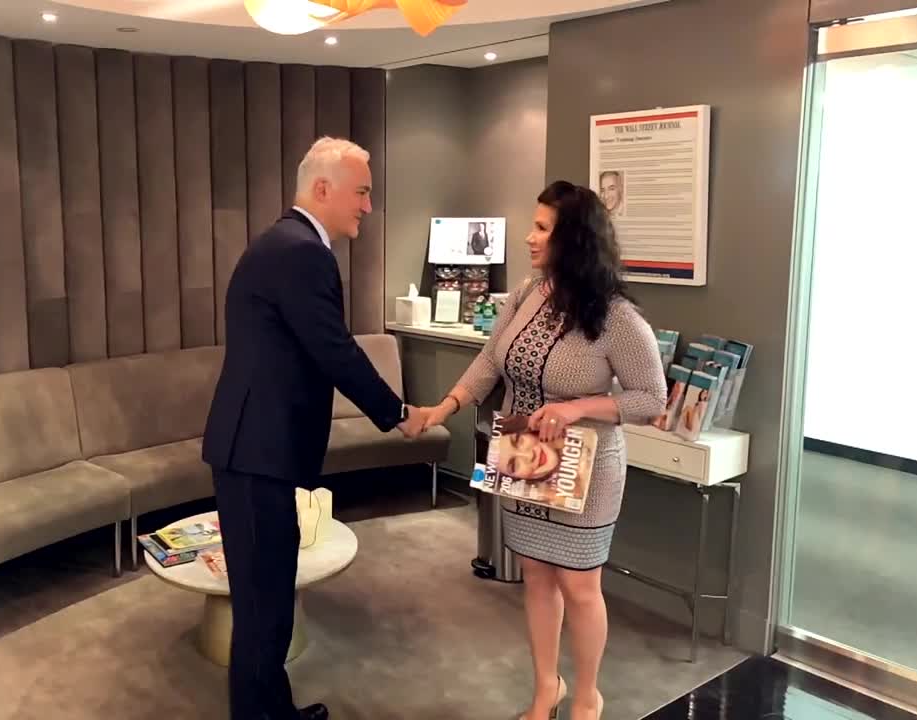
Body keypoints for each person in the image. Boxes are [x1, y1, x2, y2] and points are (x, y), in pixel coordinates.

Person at [202, 136, 428, 720]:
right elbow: (334, 349)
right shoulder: (301, 252)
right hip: (258, 454)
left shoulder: (286, 245)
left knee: (270, 602)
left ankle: (274, 712)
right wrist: (396, 412)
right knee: (262, 608)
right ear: (322, 189)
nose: (368, 207)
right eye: (362, 192)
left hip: (257, 451)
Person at [424, 180, 666, 720]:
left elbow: (652, 397)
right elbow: (490, 362)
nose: (529, 239)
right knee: (534, 574)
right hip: (521, 451)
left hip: (588, 466)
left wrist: (579, 408)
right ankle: (545, 688)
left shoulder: (616, 316)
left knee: (580, 587)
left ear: (574, 240)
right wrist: (444, 407)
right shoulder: (525, 294)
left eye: (541, 228)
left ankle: (587, 697)